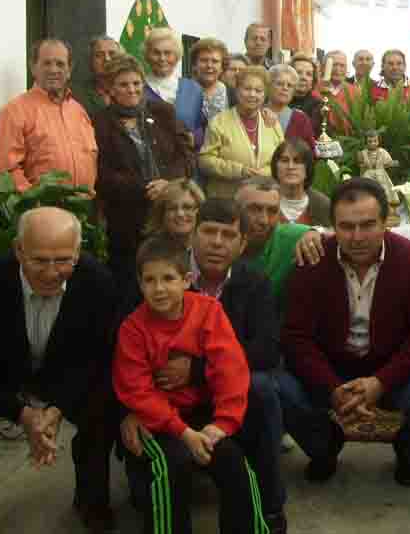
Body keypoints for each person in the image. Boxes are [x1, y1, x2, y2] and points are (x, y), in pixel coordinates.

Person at [0, 208, 118, 533]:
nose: (52, 273)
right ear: (18, 250)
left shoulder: (98, 283)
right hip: (1, 374)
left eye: (64, 259)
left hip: (65, 375)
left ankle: (92, 499)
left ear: (78, 252)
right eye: (39, 260)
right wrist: (19, 412)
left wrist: (57, 409)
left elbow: (97, 360)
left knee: (104, 405)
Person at [279, 178, 410, 486]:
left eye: (368, 225)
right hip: (331, 364)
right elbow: (296, 337)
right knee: (280, 386)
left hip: (392, 365)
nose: (357, 236)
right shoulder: (313, 261)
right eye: (346, 226)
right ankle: (324, 449)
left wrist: (381, 382)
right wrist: (331, 387)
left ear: (386, 222)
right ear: (331, 226)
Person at [139, 200, 288, 532]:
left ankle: (269, 505)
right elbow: (128, 345)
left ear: (242, 244)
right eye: (208, 232)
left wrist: (197, 369)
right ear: (192, 234)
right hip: (165, 394)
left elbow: (265, 351)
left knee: (262, 388)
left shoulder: (255, 282)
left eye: (228, 234)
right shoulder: (163, 276)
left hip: (224, 389)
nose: (217, 242)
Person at [113, 237, 269, 534]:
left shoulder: (208, 311)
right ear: (139, 283)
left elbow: (230, 369)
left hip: (201, 413)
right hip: (157, 421)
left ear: (186, 280)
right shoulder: (132, 329)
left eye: (168, 278)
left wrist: (220, 425)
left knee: (234, 463)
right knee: (169, 466)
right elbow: (137, 391)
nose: (159, 288)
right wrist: (183, 434)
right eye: (150, 280)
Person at [93, 54, 194, 286]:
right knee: (132, 280)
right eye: (123, 84)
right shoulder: (100, 123)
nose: (132, 89)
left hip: (170, 214)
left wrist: (168, 183)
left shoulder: (163, 112)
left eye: (136, 83)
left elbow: (186, 154)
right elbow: (102, 172)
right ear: (110, 88)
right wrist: (146, 187)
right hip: (127, 220)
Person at [0, 38, 98, 192]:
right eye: (47, 63)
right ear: (33, 67)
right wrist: (36, 204)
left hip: (83, 208)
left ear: (69, 70)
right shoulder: (14, 111)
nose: (53, 70)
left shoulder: (79, 111)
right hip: (41, 211)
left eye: (60, 64)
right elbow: (7, 171)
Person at [200, 65, 285, 199]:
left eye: (258, 90)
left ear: (265, 94)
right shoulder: (219, 122)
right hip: (226, 199)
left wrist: (264, 173)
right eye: (247, 89)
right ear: (237, 90)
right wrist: (239, 170)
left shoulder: (272, 122)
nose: (252, 94)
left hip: (263, 200)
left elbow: (281, 159)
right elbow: (205, 160)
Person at [233, 178, 310, 319]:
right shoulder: (220, 239)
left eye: (272, 211)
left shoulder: (290, 238)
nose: (264, 220)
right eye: (254, 209)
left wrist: (313, 234)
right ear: (235, 209)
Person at [142, 27, 205, 145]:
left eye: (167, 53)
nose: (162, 58)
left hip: (186, 158)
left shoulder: (193, 89)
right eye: (156, 53)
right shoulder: (138, 89)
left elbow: (200, 126)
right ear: (147, 56)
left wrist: (195, 138)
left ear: (177, 56)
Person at [270, 138, 331, 226]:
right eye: (284, 160)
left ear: (307, 168)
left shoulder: (323, 205)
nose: (290, 167)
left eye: (297, 161)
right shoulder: (264, 201)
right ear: (275, 167)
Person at [266, 64, 316, 148]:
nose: (285, 88)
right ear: (268, 86)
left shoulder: (301, 119)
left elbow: (310, 153)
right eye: (280, 84)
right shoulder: (256, 113)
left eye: (290, 85)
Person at [190, 37, 234, 125]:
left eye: (215, 61)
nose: (209, 65)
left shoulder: (233, 95)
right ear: (195, 64)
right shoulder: (180, 92)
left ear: (222, 67)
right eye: (204, 60)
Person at [80, 35, 122, 117]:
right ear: (90, 61)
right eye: (99, 55)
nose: (107, 59)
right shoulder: (77, 95)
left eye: (112, 54)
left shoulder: (132, 90)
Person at [358, 130, 399, 205]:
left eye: (375, 141)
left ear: (378, 141)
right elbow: (361, 167)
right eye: (370, 141)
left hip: (381, 175)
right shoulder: (362, 153)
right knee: (369, 192)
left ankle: (384, 206)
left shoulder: (382, 152)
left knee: (384, 190)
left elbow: (387, 163)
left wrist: (392, 163)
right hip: (368, 176)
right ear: (365, 142)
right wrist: (362, 174)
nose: (372, 143)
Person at [322, 50, 357, 134]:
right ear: (324, 67)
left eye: (342, 65)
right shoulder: (315, 90)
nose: (338, 69)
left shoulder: (356, 92)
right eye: (334, 65)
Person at [289, 53, 322, 134]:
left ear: (313, 80)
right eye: (299, 72)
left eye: (309, 74)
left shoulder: (319, 106)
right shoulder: (277, 101)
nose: (304, 77)